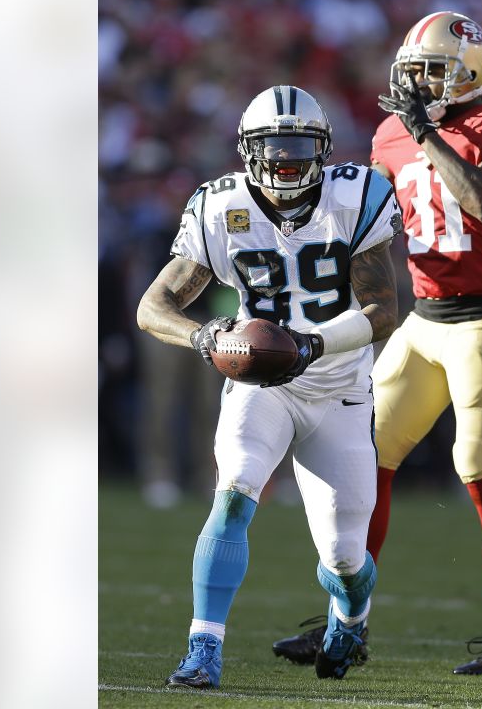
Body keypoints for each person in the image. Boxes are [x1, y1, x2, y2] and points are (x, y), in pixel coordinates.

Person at [272, 11, 482, 676]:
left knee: (481, 471)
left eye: (435, 71)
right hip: (424, 322)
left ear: (471, 72)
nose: (419, 84)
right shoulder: (391, 134)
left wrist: (427, 132)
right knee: (364, 463)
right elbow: (365, 222)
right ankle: (347, 622)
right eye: (414, 71)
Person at [136, 85, 402, 688]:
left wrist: (312, 344)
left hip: (338, 387)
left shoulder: (355, 196)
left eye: (299, 146)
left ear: (324, 150)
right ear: (246, 150)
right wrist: (206, 338)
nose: (286, 159)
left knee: (344, 557)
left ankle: (349, 618)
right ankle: (203, 648)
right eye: (272, 146)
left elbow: (385, 308)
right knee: (233, 492)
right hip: (264, 384)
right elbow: (153, 306)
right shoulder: (220, 206)